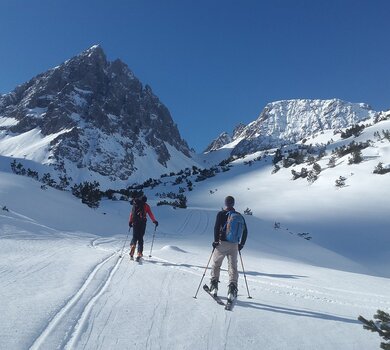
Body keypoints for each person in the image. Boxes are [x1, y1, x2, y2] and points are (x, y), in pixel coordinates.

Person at [209, 196, 248, 300]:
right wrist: (241, 244)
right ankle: (232, 289)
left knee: (216, 265)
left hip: (221, 244)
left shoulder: (221, 214)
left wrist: (216, 241)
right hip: (234, 245)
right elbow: (245, 231)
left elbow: (216, 227)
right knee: (233, 267)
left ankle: (214, 286)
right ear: (233, 204)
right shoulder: (239, 216)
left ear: (226, 203)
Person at [129, 195, 158, 260]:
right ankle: (139, 253)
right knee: (140, 238)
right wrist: (154, 221)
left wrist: (130, 221)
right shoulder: (146, 206)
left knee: (135, 236)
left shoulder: (135, 204)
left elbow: (131, 213)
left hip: (135, 222)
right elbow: (150, 214)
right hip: (142, 223)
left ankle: (133, 246)